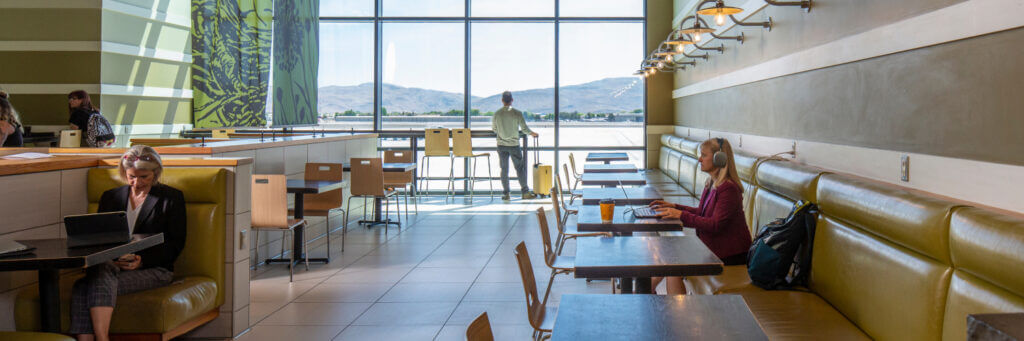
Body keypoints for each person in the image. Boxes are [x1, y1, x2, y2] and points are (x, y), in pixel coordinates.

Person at [69, 145, 186, 341]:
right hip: (111, 265)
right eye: (131, 176)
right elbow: (99, 239)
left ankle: (101, 339)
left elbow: (176, 243)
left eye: (143, 177)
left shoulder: (171, 198)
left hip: (155, 269)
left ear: (155, 173)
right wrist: (112, 260)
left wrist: (141, 261)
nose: (136, 182)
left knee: (85, 286)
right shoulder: (111, 197)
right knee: (100, 273)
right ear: (124, 172)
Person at [649, 138, 751, 295]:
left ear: (719, 159)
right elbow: (702, 212)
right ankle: (646, 293)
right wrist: (675, 207)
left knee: (672, 263)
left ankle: (673, 312)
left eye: (704, 155)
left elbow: (715, 224)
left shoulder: (729, 189)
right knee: (669, 258)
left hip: (730, 256)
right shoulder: (712, 183)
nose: (699, 159)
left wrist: (681, 215)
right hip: (714, 249)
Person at [492, 91, 539, 200]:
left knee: (504, 169)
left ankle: (506, 194)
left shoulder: (497, 114)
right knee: (519, 168)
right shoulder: (517, 113)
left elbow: (494, 129)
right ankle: (525, 192)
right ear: (512, 100)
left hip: (501, 144)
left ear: (502, 101)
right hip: (514, 145)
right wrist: (532, 134)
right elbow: (524, 129)